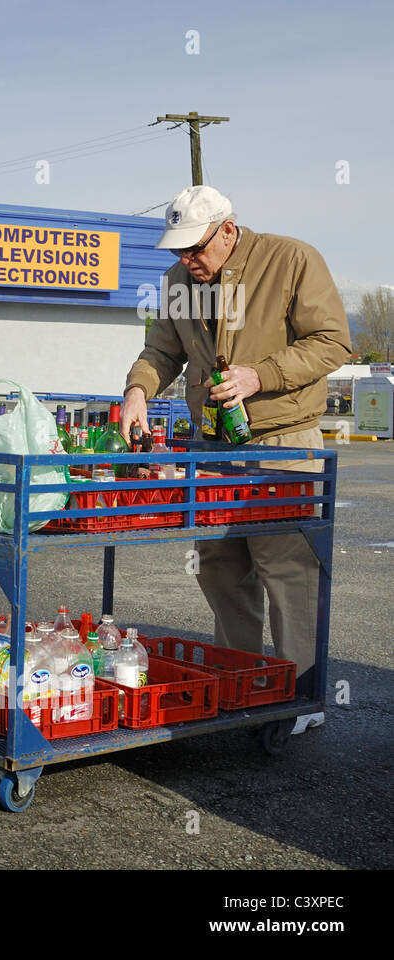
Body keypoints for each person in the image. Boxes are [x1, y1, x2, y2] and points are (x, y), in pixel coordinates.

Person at [120, 185, 351, 735]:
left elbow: (333, 342)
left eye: (195, 248)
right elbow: (161, 351)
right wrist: (136, 390)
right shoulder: (180, 282)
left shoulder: (292, 259)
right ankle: (241, 679)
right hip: (213, 446)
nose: (187, 261)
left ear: (227, 229)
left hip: (283, 443)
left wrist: (259, 374)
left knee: (287, 569)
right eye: (178, 251)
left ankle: (299, 697)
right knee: (221, 567)